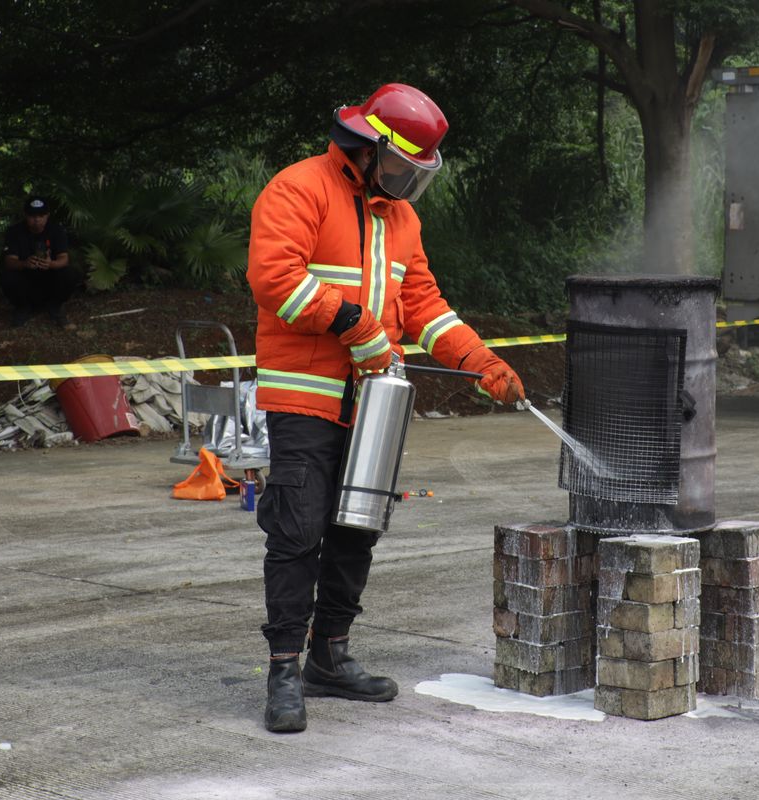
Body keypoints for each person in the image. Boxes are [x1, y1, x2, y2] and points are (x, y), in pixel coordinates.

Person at [246, 83, 524, 733]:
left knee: (358, 527)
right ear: (369, 149)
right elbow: (274, 278)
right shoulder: (299, 188)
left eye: (414, 173)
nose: (405, 182)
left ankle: (330, 658)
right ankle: (284, 671)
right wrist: (355, 325)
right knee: (297, 532)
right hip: (306, 398)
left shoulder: (401, 219)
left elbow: (425, 307)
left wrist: (479, 361)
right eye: (400, 167)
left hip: (374, 401)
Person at [1, 196, 78, 329]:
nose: (37, 220)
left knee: (70, 273)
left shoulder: (56, 230)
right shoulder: (14, 232)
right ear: (25, 215)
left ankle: (55, 306)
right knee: (6, 276)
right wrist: (24, 263)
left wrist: (51, 264)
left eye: (41, 215)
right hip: (26, 279)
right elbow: (9, 261)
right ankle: (22, 307)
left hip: (50, 278)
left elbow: (64, 259)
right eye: (32, 216)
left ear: (47, 215)